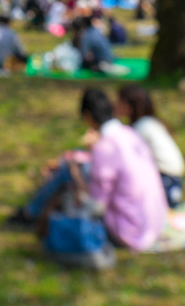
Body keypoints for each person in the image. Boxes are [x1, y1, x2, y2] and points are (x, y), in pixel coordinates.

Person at [10, 89, 168, 252]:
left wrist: (77, 183)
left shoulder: (105, 147)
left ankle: (30, 214)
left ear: (88, 116)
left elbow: (96, 206)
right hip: (155, 221)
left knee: (68, 172)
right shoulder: (130, 135)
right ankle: (32, 212)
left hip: (129, 231)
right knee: (72, 168)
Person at [117, 85, 185, 208]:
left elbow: (124, 156)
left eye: (119, 101)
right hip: (173, 180)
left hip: (166, 179)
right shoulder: (149, 123)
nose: (115, 105)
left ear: (130, 106)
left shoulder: (142, 127)